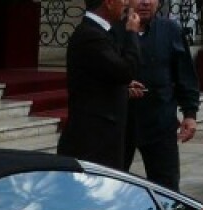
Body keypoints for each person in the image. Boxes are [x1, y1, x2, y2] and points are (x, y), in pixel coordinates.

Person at [57, 0, 145, 170]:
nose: (126, 3)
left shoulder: (102, 32)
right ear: (109, 3)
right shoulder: (91, 35)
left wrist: (123, 89)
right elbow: (126, 71)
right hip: (93, 142)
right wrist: (132, 33)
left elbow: (100, 77)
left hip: (105, 139)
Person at [123, 0, 201, 191]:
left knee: (166, 188)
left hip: (160, 123)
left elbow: (185, 74)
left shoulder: (170, 30)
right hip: (121, 123)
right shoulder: (114, 31)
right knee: (112, 183)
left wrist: (190, 114)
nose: (145, 2)